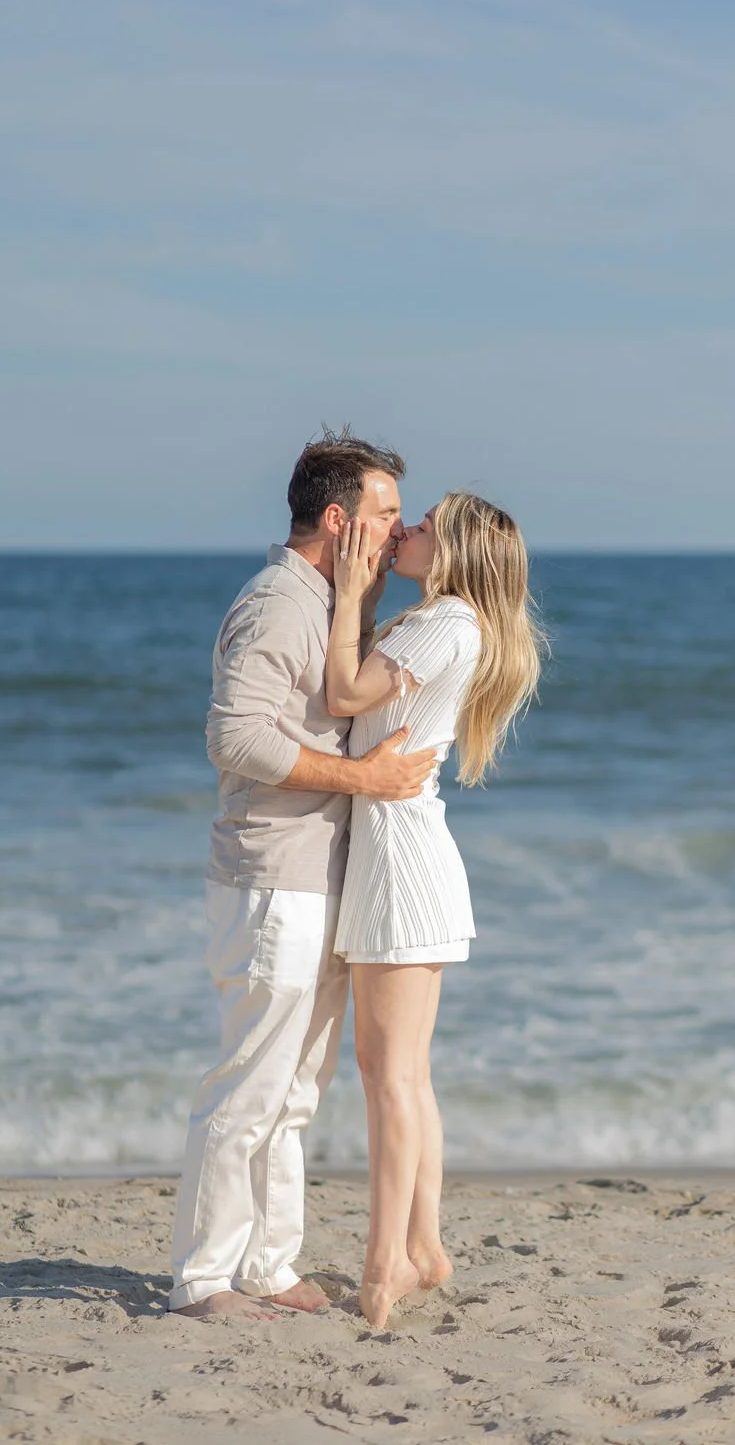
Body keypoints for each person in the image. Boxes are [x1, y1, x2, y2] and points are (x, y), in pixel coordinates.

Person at [169, 430, 439, 1323]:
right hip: (269, 874)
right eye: (387, 514)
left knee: (295, 1091)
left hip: (319, 874)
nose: (399, 533)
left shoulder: (330, 603)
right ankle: (204, 1279)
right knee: (248, 1085)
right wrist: (365, 780)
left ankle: (267, 1264)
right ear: (338, 518)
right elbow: (235, 738)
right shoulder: (279, 605)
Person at [325, 492, 544, 1328]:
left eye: (421, 527)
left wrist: (349, 592)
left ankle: (386, 1268)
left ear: (450, 552)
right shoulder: (449, 622)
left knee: (390, 1081)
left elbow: (345, 693)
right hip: (405, 861)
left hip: (402, 868)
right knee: (402, 1076)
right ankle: (424, 1248)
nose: (405, 530)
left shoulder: (445, 620)